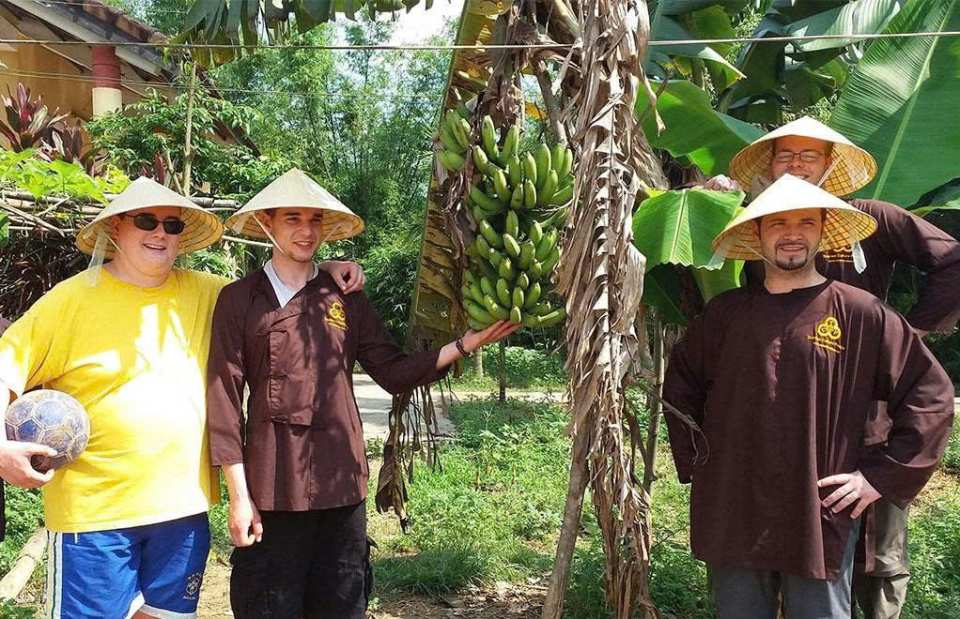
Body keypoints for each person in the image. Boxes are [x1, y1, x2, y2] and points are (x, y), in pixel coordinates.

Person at [0, 177, 365, 619]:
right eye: (146, 221)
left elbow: (280, 285)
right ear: (116, 228)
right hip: (95, 517)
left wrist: (325, 269)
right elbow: (7, 367)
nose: (160, 233)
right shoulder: (71, 300)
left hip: (183, 512)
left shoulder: (208, 293)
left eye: (172, 225)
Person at [206, 168, 518, 619]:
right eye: (292, 218)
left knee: (342, 600)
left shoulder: (344, 297)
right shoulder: (239, 299)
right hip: (271, 482)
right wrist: (239, 495)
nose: (306, 230)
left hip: (341, 477)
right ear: (266, 224)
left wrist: (464, 344)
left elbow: (391, 370)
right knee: (269, 602)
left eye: (315, 220)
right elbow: (224, 397)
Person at [662, 174, 955, 618]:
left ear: (822, 233)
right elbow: (680, 386)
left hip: (819, 509)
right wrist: (701, 463)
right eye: (777, 223)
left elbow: (929, 395)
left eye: (805, 222)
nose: (792, 234)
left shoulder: (862, 313)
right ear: (757, 235)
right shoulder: (724, 316)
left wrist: (879, 477)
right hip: (735, 504)